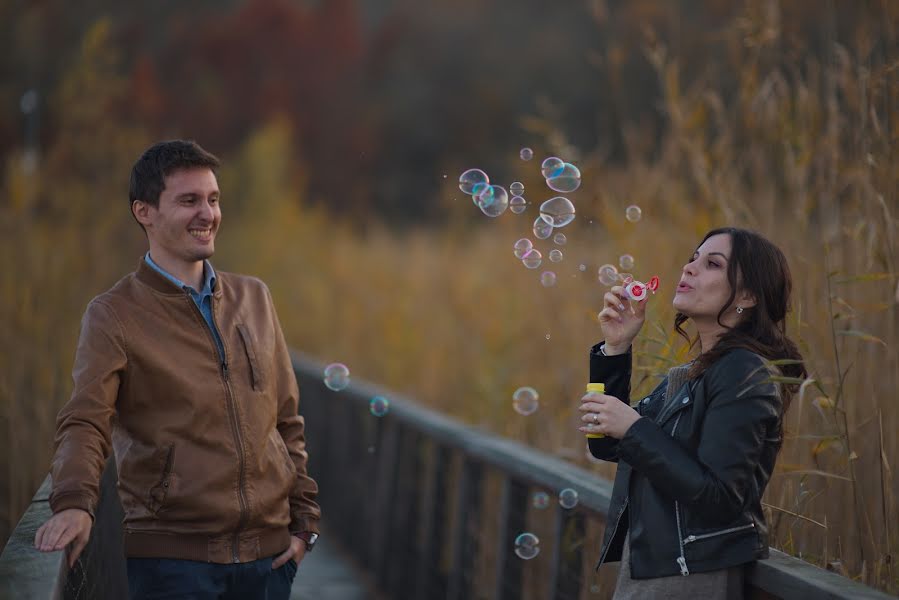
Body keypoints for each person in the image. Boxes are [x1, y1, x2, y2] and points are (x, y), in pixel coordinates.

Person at [33, 140, 321, 600]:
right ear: (144, 211)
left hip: (269, 563)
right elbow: (86, 420)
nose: (207, 214)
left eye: (213, 199)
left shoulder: (255, 298)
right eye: (189, 201)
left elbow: (286, 420)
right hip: (174, 565)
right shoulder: (113, 314)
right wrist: (74, 503)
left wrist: (305, 524)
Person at [578, 227, 805, 599]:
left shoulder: (743, 370)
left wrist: (634, 428)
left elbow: (721, 498)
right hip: (654, 566)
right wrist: (615, 349)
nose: (689, 269)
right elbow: (605, 445)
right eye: (692, 258)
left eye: (712, 263)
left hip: (688, 576)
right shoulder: (693, 373)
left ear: (747, 295)